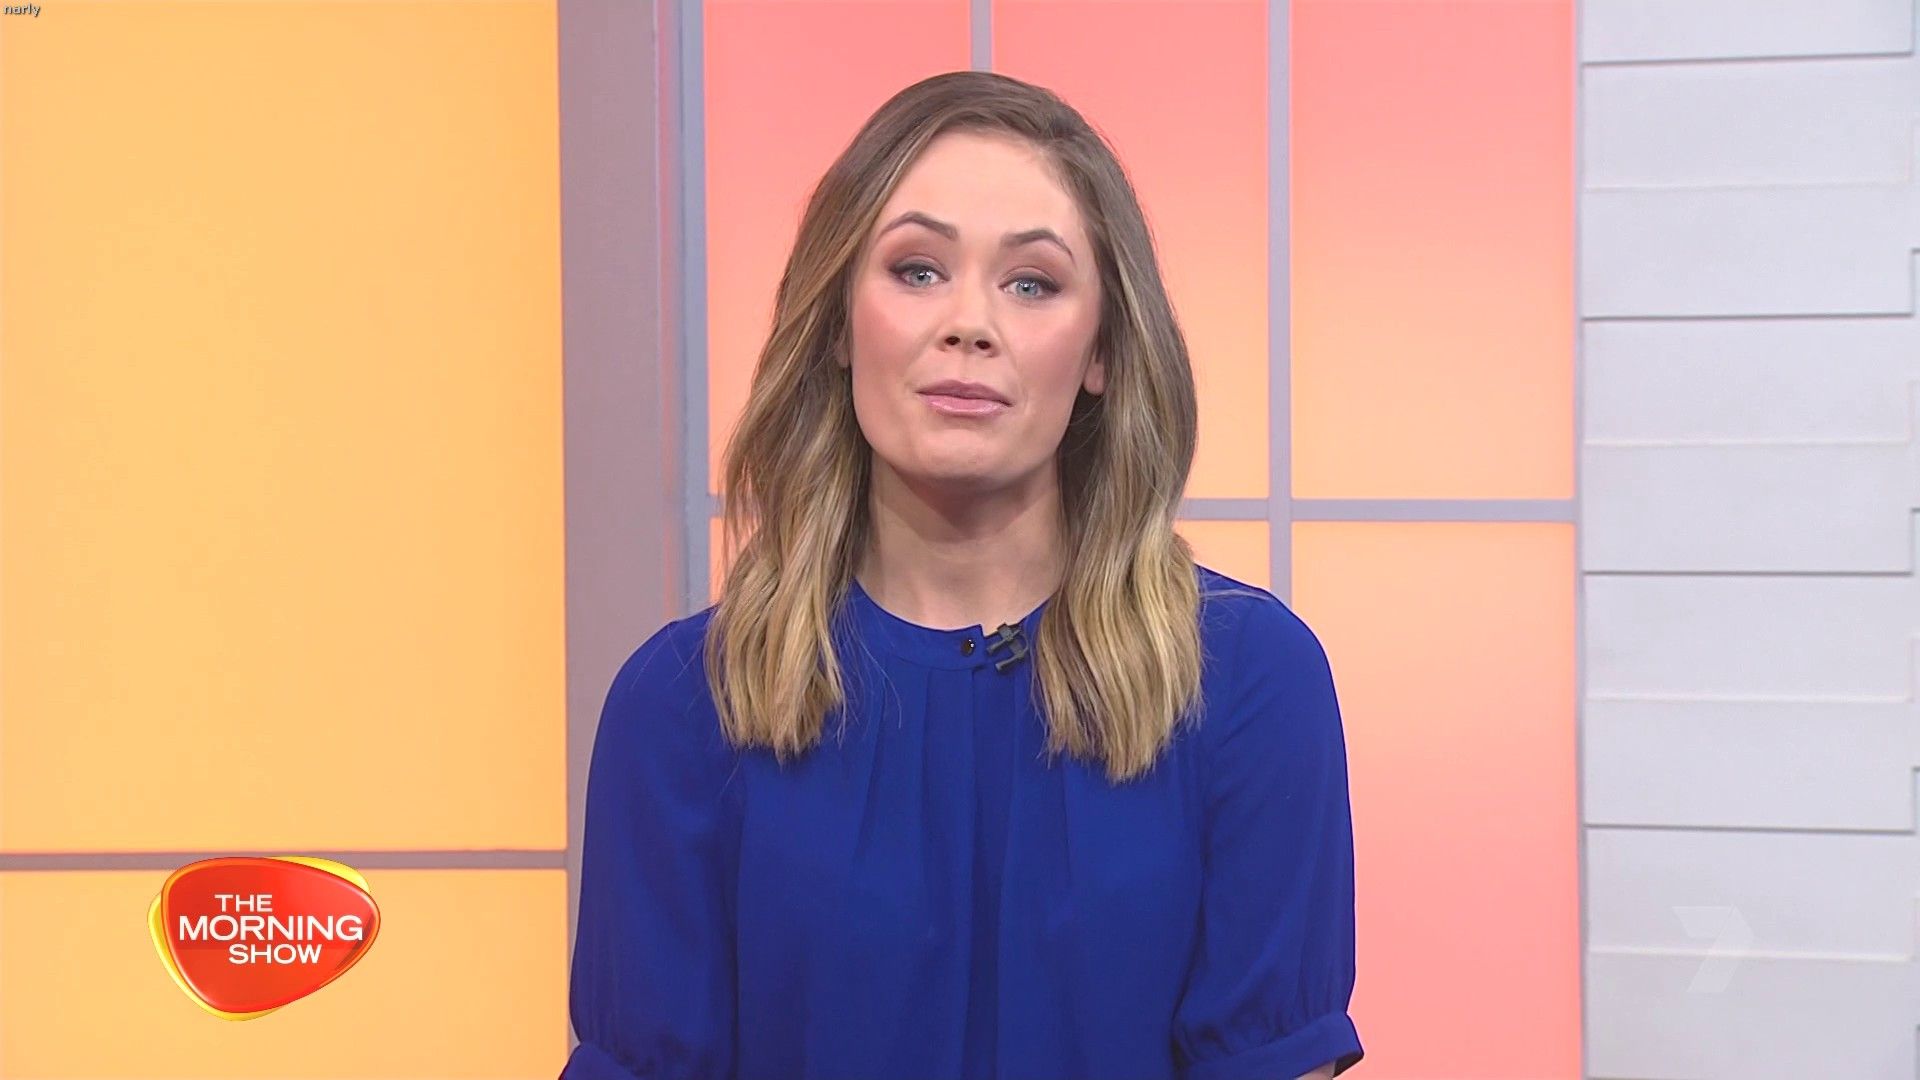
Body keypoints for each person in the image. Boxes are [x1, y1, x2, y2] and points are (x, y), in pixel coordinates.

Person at [562, 70, 1363, 1080]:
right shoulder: (681, 708)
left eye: (1031, 283)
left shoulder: (1249, 682)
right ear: (838, 324)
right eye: (917, 270)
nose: (970, 323)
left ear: (1102, 351)